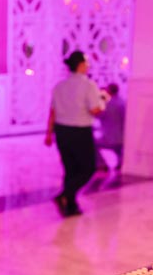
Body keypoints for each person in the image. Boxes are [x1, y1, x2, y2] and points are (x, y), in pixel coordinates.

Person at [45, 50, 107, 217]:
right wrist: (103, 100)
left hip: (62, 131)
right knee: (88, 168)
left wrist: (49, 133)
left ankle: (71, 206)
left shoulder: (59, 86)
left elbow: (53, 111)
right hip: (80, 131)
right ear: (80, 65)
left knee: (70, 169)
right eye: (86, 62)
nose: (88, 65)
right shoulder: (88, 85)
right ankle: (65, 195)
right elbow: (95, 109)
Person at [96, 82, 126, 170]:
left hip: (110, 138)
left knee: (93, 143)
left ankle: (101, 163)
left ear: (108, 91)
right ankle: (121, 162)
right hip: (122, 137)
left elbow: (98, 115)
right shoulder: (123, 102)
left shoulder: (107, 104)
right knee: (118, 149)